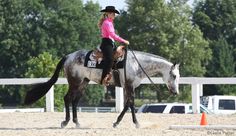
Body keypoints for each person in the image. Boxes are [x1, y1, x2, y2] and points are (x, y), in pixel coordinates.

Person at [98, 6, 129, 86]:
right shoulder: (107, 23)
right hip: (106, 43)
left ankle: (115, 74)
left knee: (118, 55)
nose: (114, 15)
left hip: (110, 43)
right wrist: (123, 40)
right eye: (113, 14)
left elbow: (112, 36)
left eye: (114, 14)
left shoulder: (110, 22)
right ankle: (103, 79)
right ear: (109, 14)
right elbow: (113, 35)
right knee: (110, 59)